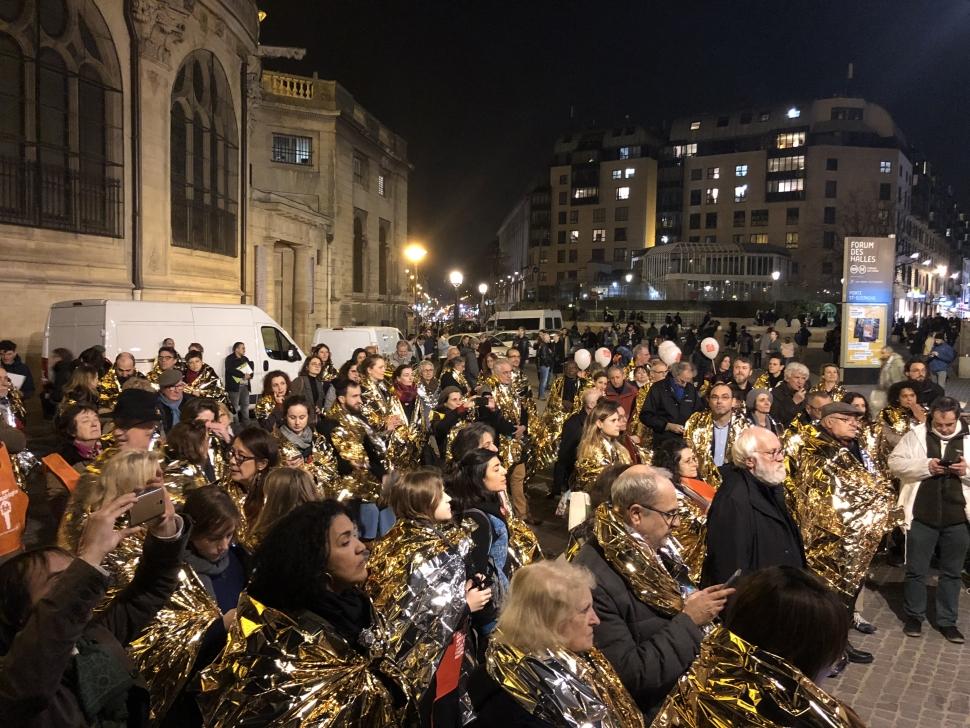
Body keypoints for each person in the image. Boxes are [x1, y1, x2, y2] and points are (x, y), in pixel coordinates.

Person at [198, 500, 412, 726]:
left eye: (356, 536)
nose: (361, 547)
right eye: (345, 541)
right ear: (315, 560)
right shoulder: (290, 639)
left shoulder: (357, 603)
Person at [0, 487, 186, 728]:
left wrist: (165, 533)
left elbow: (148, 592)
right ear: (21, 613)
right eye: (61, 581)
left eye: (74, 573)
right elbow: (32, 680)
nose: (76, 583)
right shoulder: (15, 679)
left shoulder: (94, 637)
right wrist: (88, 557)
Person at [571, 465, 732, 720]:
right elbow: (630, 675)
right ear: (636, 514)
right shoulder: (593, 578)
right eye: (670, 514)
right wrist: (689, 620)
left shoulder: (653, 551)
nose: (677, 523)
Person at [652, 567, 865, 727]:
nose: (832, 668)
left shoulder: (694, 691)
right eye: (833, 659)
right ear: (797, 660)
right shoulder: (833, 721)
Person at [366, 468, 490, 725]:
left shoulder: (397, 538)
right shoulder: (432, 552)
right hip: (433, 663)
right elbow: (420, 616)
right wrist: (465, 605)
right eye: (440, 493)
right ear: (423, 502)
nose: (449, 499)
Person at [467, 559, 646, 728]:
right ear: (549, 621)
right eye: (584, 610)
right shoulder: (515, 708)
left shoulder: (574, 658)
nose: (596, 620)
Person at [787, 401, 897, 665]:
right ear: (828, 421)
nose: (855, 423)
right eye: (847, 419)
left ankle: (840, 645)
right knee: (826, 598)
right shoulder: (818, 450)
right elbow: (826, 495)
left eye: (856, 419)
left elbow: (874, 478)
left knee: (846, 596)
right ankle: (823, 650)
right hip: (828, 540)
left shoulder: (854, 447)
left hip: (856, 538)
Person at [888, 396, 970, 644]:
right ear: (932, 417)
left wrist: (967, 470)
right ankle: (914, 616)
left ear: (957, 419)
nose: (944, 428)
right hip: (923, 514)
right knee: (916, 569)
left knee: (952, 572)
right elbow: (894, 463)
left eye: (949, 424)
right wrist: (926, 466)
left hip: (957, 518)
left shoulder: (968, 439)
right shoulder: (916, 435)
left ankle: (947, 621)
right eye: (939, 424)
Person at [702, 427, 806, 586]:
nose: (780, 458)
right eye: (772, 453)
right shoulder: (733, 500)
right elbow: (731, 569)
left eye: (780, 451)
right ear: (750, 460)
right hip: (758, 601)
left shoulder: (770, 486)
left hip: (783, 594)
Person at [319, 378, 390, 538]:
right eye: (355, 396)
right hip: (343, 491)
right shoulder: (328, 424)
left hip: (366, 484)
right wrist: (350, 464)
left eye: (360, 395)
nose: (360, 400)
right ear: (342, 399)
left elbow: (371, 454)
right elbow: (329, 462)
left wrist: (384, 475)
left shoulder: (359, 421)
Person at [653, 439, 716, 582]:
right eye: (688, 461)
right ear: (673, 465)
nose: (695, 464)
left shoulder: (697, 484)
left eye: (694, 459)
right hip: (690, 560)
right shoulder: (672, 493)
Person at [486, 358, 536, 524]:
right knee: (501, 483)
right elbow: (493, 419)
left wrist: (523, 427)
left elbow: (524, 412)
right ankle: (504, 515)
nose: (509, 375)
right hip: (500, 444)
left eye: (510, 372)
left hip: (517, 443)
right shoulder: (490, 390)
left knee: (518, 478)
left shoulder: (513, 389)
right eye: (505, 373)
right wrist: (513, 431)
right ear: (496, 373)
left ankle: (522, 515)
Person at [683, 382, 749, 489]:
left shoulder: (745, 427)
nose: (719, 401)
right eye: (714, 397)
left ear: (733, 402)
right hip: (701, 484)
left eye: (725, 397)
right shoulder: (695, 423)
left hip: (733, 485)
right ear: (709, 401)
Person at [224, 426, 279, 542]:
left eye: (241, 457)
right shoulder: (223, 489)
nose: (232, 461)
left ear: (262, 464)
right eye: (232, 453)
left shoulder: (275, 498)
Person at [249, 467, 320, 547]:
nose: (264, 502)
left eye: (267, 495)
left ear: (275, 501)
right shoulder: (323, 531)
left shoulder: (270, 541)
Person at [640, 361, 705, 447]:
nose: (685, 385)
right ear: (675, 375)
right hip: (663, 442)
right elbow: (645, 416)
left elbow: (699, 413)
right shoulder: (657, 388)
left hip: (685, 442)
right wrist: (667, 426)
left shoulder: (691, 389)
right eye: (682, 381)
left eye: (688, 380)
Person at [574, 400, 633, 493]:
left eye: (618, 420)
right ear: (599, 423)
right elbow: (597, 486)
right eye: (613, 420)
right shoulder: (593, 451)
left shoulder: (619, 448)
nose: (618, 424)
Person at [553, 388, 603, 496]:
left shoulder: (596, 421)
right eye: (600, 402)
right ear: (591, 405)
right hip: (574, 479)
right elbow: (564, 455)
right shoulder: (574, 424)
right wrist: (558, 487)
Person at [289, 355, 330, 427]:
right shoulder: (299, 380)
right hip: (300, 421)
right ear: (307, 367)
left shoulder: (319, 382)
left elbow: (319, 402)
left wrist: (319, 409)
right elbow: (290, 401)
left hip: (314, 421)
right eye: (314, 364)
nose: (317, 366)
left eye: (319, 364)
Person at [769, 361, 809, 427]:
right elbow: (776, 420)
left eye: (803, 378)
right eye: (797, 377)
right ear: (787, 378)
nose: (800, 381)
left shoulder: (804, 395)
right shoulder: (775, 394)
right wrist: (794, 402)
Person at [224, 342, 253, 424]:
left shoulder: (245, 359)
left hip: (245, 386)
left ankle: (247, 424)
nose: (244, 350)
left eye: (244, 348)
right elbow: (230, 370)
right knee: (235, 408)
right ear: (236, 349)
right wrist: (243, 375)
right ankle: (236, 426)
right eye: (242, 348)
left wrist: (250, 375)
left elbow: (250, 370)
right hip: (234, 387)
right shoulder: (229, 359)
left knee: (245, 406)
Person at [535, 332, 554, 400]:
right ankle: (541, 396)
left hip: (543, 365)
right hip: (544, 366)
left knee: (542, 381)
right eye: (548, 337)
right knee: (543, 381)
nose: (549, 338)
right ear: (545, 338)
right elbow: (544, 357)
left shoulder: (544, 345)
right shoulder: (544, 346)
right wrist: (547, 364)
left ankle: (540, 395)